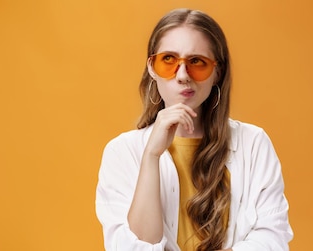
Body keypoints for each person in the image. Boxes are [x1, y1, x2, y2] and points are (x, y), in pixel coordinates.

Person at [95, 8, 293, 251]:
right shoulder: (122, 152)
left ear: (217, 72)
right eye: (168, 59)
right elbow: (134, 247)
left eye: (196, 62)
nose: (182, 75)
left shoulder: (254, 144)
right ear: (152, 68)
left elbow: (273, 239)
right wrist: (151, 156)